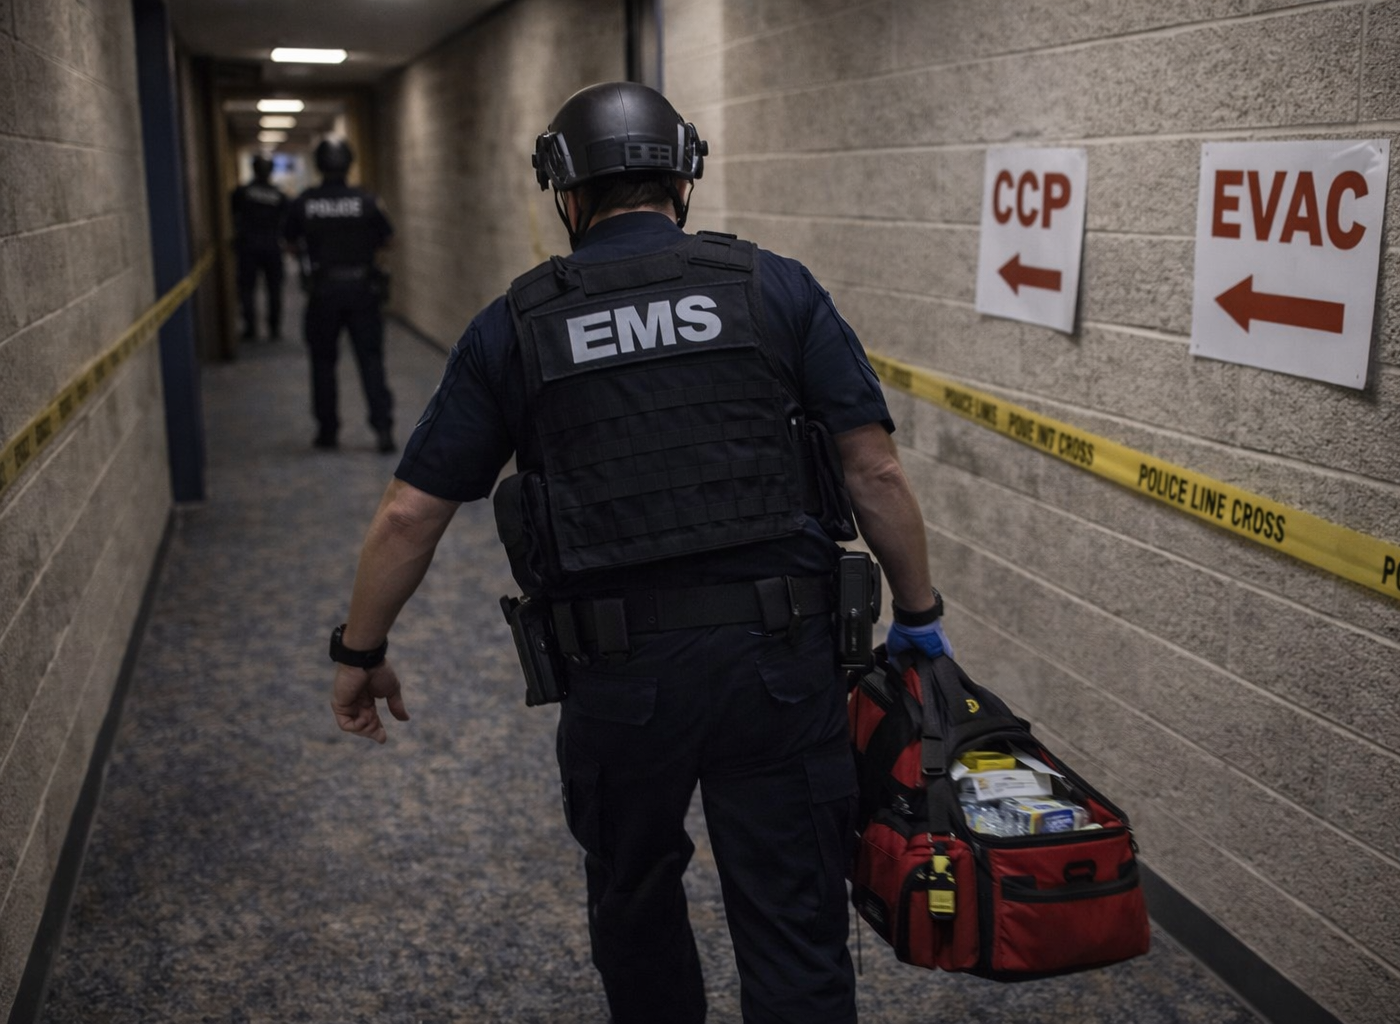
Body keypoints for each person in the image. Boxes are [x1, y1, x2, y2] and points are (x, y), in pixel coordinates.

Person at [325, 82, 953, 1024]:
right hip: (780, 667)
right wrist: (920, 619)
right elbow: (876, 474)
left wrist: (360, 652)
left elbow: (410, 516)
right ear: (683, 177)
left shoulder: (518, 324)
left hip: (619, 676)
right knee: (794, 915)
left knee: (635, 896)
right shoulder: (775, 286)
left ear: (565, 193)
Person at [283, 137, 396, 452]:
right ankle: (384, 428)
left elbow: (290, 244)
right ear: (349, 163)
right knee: (371, 360)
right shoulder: (367, 200)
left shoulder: (305, 202)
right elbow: (388, 239)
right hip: (363, 289)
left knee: (322, 362)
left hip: (324, 291)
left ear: (319, 165)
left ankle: (328, 431)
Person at [230, 153, 288, 341]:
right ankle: (274, 328)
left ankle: (251, 328)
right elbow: (286, 222)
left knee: (248, 289)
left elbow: (231, 216)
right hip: (272, 246)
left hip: (248, 247)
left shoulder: (241, 193)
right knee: (274, 288)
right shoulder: (279, 195)